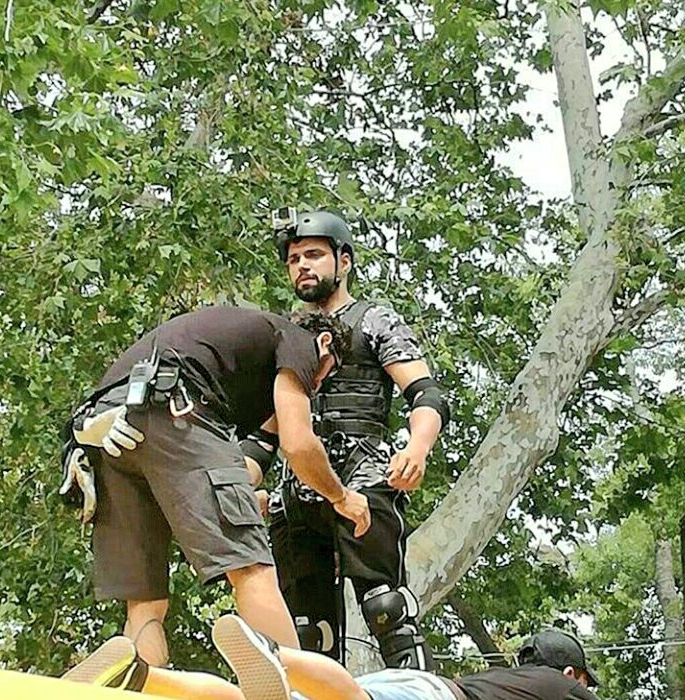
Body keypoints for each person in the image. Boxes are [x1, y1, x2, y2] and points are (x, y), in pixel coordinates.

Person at [59, 305, 372, 679]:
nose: (317, 385)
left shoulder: (236, 350)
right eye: (327, 373)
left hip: (104, 432)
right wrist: (341, 497)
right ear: (324, 343)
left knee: (145, 605)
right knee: (251, 567)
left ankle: (139, 677)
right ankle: (293, 685)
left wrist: (246, 498)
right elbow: (299, 444)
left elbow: (243, 465)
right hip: (175, 409)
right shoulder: (299, 340)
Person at [241, 208, 450, 669]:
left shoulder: (374, 320)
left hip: (364, 479)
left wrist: (417, 448)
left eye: (314, 255)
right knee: (305, 635)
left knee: (386, 609)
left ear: (345, 261)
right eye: (293, 259)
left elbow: (425, 393)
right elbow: (264, 435)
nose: (302, 266)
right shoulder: (286, 336)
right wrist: (234, 489)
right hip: (298, 495)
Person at [64, 616, 601, 700]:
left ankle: (139, 674)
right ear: (571, 672)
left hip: (418, 684)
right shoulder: (563, 689)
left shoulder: (512, 681)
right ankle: (274, 652)